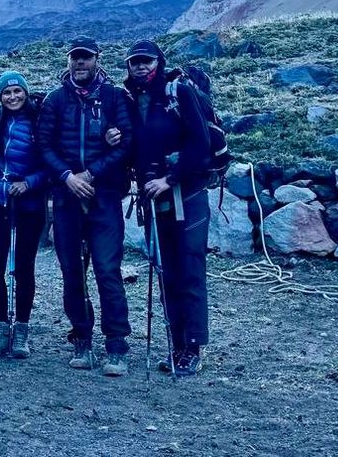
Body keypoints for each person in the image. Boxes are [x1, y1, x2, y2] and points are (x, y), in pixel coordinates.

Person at [37, 35, 134, 376]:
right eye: (75, 58)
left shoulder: (114, 97)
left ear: (97, 59)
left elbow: (126, 143)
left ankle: (117, 344)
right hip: (65, 197)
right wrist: (67, 177)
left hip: (104, 196)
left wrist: (91, 174)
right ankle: (81, 336)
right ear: (68, 61)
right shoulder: (54, 100)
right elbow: (44, 145)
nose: (80, 63)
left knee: (107, 270)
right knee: (71, 271)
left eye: (86, 58)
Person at [122, 39, 211, 376]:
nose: (141, 67)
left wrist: (170, 178)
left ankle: (193, 348)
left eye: (146, 61)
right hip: (155, 200)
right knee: (167, 273)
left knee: (189, 271)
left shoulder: (180, 93)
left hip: (186, 195)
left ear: (158, 62)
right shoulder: (132, 100)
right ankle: (178, 347)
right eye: (135, 62)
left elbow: (200, 145)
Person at [0, 71, 46, 358]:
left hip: (28, 204)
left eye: (18, 91)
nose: (13, 97)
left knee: (24, 267)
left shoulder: (39, 122)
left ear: (26, 93)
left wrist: (29, 182)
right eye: (6, 92)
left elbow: (50, 163)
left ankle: (23, 329)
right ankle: (0, 326)